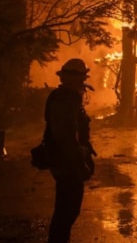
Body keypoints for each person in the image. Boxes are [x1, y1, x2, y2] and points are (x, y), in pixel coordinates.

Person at [44, 58, 97, 243]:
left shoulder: (69, 99)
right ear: (72, 79)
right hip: (65, 162)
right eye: (81, 79)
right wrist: (79, 160)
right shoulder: (63, 101)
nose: (83, 83)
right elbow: (65, 136)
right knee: (66, 211)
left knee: (68, 211)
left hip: (67, 160)